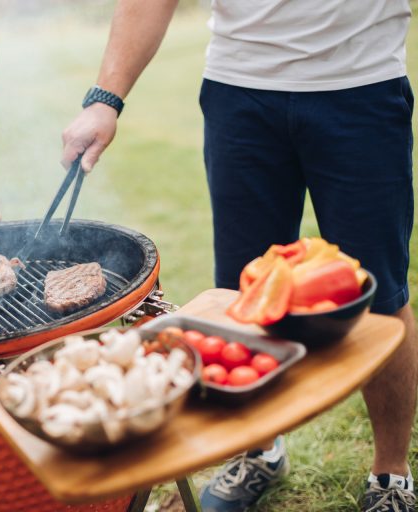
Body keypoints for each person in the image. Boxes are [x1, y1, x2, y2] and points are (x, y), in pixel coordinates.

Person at [61, 1, 416, 511]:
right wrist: (104, 99)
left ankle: (390, 474)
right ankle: (259, 450)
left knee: (379, 297)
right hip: (240, 92)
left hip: (359, 85)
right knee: (242, 296)